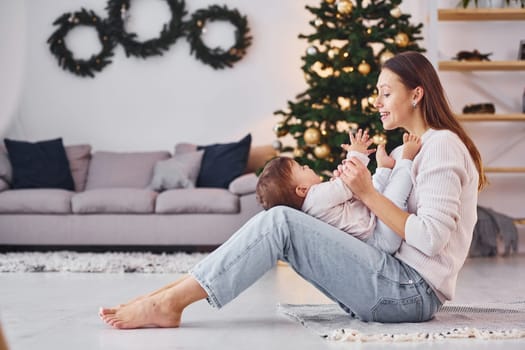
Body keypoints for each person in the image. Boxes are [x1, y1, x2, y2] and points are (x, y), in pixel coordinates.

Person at [99, 51, 487, 328]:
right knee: (283, 221)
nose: (378, 102)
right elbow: (378, 219)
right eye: (378, 93)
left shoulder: (442, 145)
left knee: (281, 221)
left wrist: (367, 192)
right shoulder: (404, 151)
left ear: (416, 94)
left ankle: (169, 302)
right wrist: (368, 188)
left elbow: (432, 239)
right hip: (391, 276)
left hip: (409, 292)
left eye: (386, 92)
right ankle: (167, 295)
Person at [255, 129, 421, 254]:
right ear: (302, 190)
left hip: (373, 223)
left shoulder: (312, 205)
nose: (307, 166)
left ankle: (384, 169)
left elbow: (360, 190)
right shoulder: (315, 198)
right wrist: (356, 153)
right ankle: (407, 159)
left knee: (369, 194)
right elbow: (349, 184)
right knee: (392, 198)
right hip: (380, 238)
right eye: (302, 168)